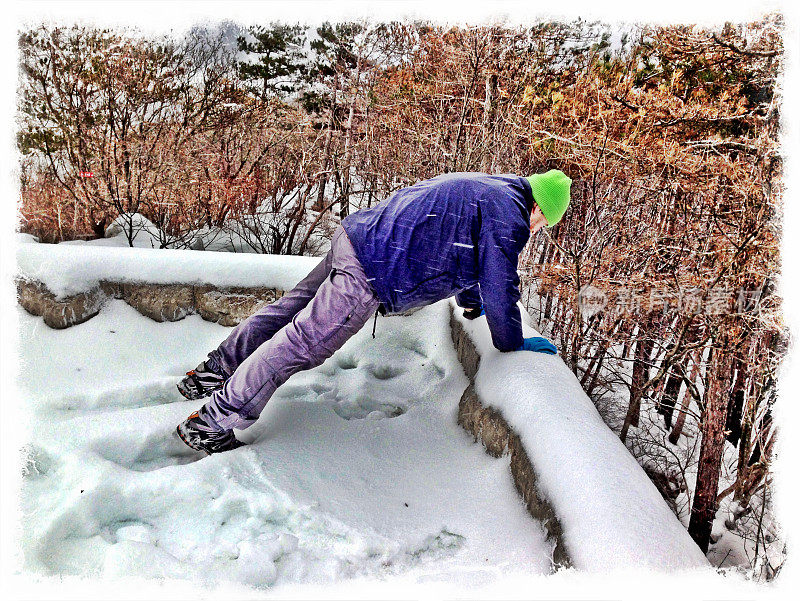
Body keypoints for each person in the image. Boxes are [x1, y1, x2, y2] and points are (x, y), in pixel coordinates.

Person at [176, 170, 572, 454]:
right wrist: (512, 341)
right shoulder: (511, 216)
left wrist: (472, 305)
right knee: (301, 344)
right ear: (538, 208)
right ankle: (213, 423)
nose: (536, 230)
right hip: (371, 268)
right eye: (543, 223)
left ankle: (212, 373)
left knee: (286, 312)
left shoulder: (494, 188)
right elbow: (501, 282)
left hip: (357, 237)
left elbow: (470, 257)